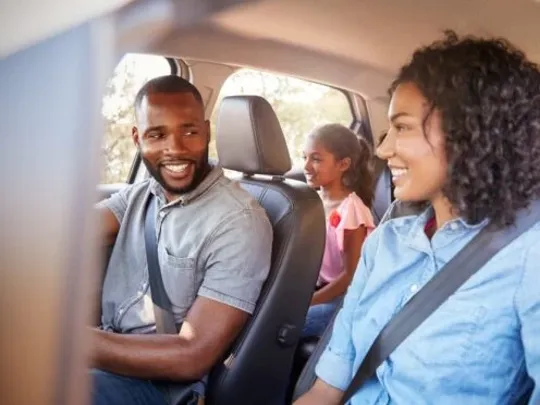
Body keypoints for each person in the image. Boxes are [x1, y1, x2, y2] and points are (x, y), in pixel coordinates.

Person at [295, 32, 540, 404]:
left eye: (403, 127)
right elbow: (326, 388)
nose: (383, 148)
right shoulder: (386, 241)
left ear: (470, 131)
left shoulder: (528, 255)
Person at [91, 75, 273, 405]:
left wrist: (71, 343)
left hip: (162, 387)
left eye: (189, 131)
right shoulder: (142, 193)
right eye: (157, 135)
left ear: (206, 131)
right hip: (110, 353)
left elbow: (192, 354)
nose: (175, 148)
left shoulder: (239, 221)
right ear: (137, 138)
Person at [301, 124, 375, 338]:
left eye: (316, 159)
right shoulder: (311, 201)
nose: (306, 166)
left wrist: (309, 302)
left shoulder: (351, 212)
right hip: (317, 289)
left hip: (342, 300)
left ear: (343, 164)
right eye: (304, 156)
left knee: (281, 322)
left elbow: (351, 277)